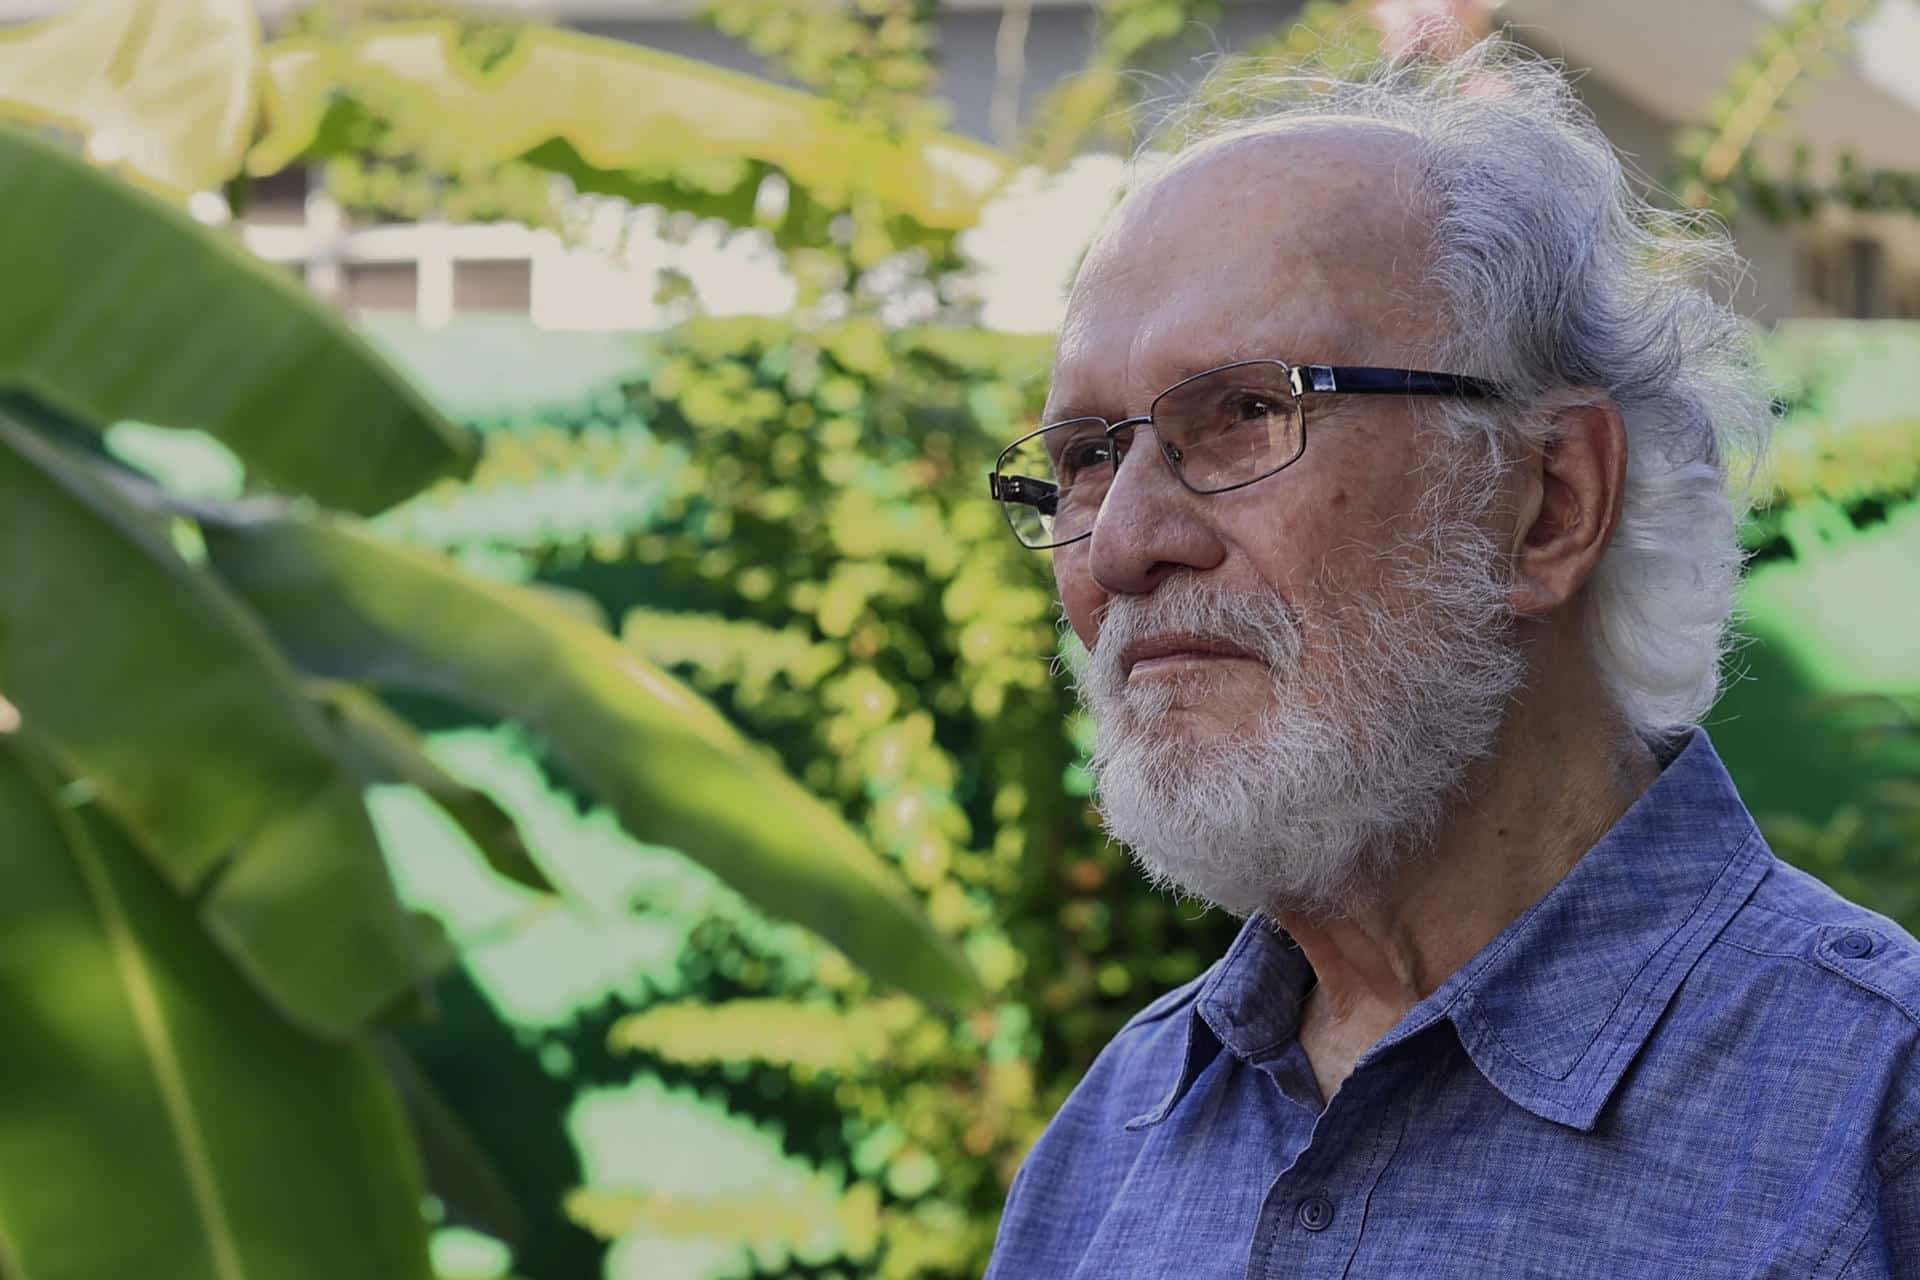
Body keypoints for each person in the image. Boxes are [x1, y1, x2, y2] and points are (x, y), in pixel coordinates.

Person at [980, 35, 1920, 1279]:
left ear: (1550, 501)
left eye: (1249, 411)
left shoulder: (1879, 1119)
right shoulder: (1115, 1136)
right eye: (1088, 457)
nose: (1120, 546)